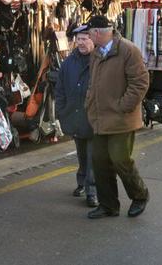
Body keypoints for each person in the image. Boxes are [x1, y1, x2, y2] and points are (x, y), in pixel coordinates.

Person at [85, 15, 150, 219]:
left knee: (120, 159)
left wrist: (123, 106)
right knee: (99, 161)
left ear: (97, 32)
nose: (87, 36)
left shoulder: (128, 50)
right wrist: (89, 102)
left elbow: (140, 82)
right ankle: (108, 205)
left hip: (121, 119)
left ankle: (140, 195)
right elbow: (93, 83)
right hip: (99, 117)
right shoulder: (96, 53)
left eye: (89, 32)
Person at [55, 24, 98, 208]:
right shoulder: (68, 63)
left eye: (84, 38)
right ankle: (82, 182)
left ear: (93, 39)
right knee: (81, 153)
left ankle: (92, 191)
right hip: (74, 115)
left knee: (92, 155)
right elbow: (60, 89)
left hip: (94, 116)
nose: (80, 42)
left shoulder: (99, 61)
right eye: (78, 39)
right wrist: (62, 111)